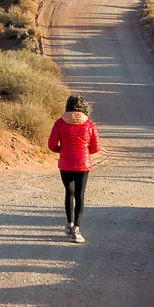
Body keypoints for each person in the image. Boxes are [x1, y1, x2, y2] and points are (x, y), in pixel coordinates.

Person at [47, 96, 99, 242]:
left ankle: (69, 224)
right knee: (79, 194)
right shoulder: (89, 124)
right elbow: (96, 147)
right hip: (83, 164)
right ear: (84, 108)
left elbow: (51, 145)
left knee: (68, 193)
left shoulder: (59, 123)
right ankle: (77, 229)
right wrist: (84, 152)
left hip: (65, 164)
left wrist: (62, 150)